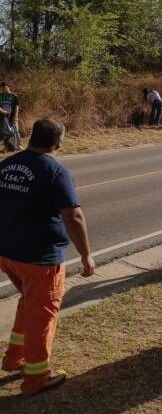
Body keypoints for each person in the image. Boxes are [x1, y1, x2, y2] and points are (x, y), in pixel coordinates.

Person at [0, 118, 95, 396]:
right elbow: (74, 217)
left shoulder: (6, 165)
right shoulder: (55, 172)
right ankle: (37, 376)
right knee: (43, 314)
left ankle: (14, 358)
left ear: (31, 138)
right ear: (59, 143)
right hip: (40, 259)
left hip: (8, 255)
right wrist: (87, 255)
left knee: (30, 302)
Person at [0, 81, 21, 151]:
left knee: (16, 130)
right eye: (1, 88)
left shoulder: (13, 96)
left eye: (4, 88)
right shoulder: (0, 96)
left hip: (12, 116)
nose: (3, 89)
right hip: (3, 117)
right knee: (5, 132)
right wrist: (3, 113)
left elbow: (16, 106)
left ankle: (18, 145)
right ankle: (7, 146)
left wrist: (16, 116)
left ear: (8, 87)